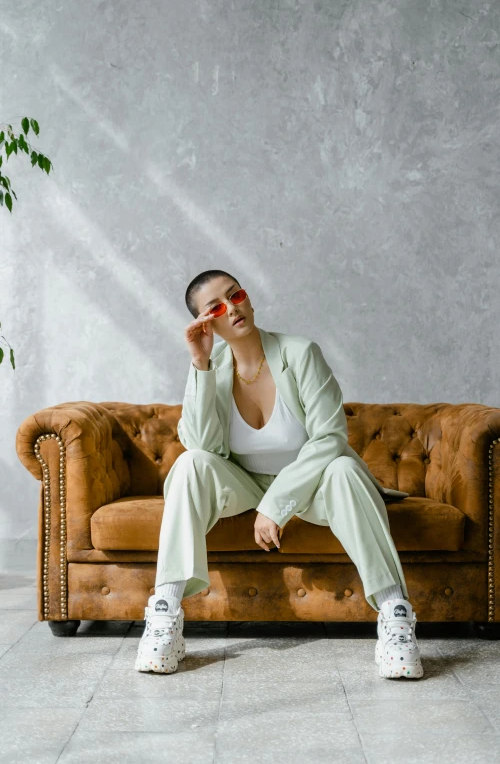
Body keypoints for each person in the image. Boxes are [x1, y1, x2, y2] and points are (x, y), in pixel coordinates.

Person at [135, 269, 423, 679]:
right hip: (243, 483)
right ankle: (165, 615)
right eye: (216, 306)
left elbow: (329, 436)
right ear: (206, 323)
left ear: (248, 298)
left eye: (236, 295)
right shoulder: (210, 367)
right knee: (189, 464)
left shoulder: (300, 352)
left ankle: (395, 616)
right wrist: (200, 364)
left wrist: (276, 505)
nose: (232, 307)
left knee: (343, 468)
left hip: (315, 484)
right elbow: (202, 445)